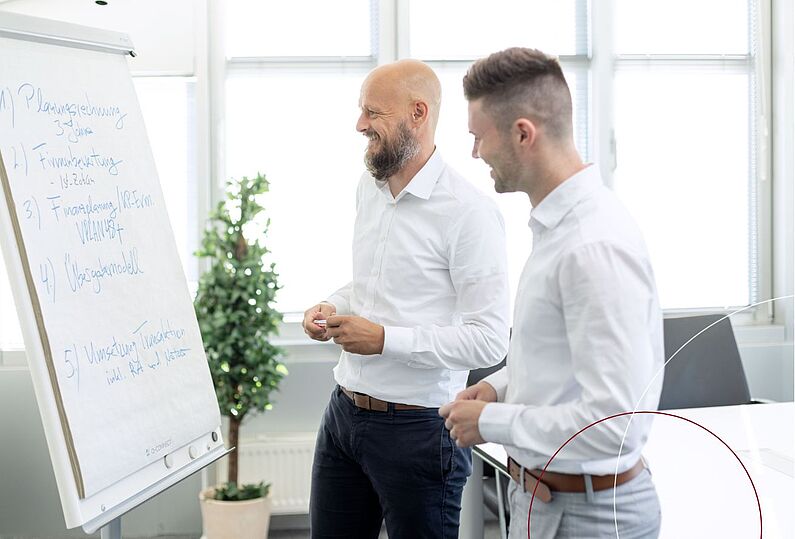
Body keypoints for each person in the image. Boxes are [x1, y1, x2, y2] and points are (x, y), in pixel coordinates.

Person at [440, 47, 664, 539]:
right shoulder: (558, 230)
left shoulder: (592, 246)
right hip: (546, 502)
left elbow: (614, 424)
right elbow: (558, 360)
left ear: (523, 134)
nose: (475, 153)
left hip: (589, 517)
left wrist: (492, 420)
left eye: (479, 137)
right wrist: (499, 387)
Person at [303, 59, 511, 539]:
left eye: (373, 112)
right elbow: (373, 286)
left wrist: (384, 340)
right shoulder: (369, 189)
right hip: (343, 417)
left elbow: (488, 340)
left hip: (420, 433)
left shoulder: (470, 214)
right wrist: (333, 305)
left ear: (418, 113)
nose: (360, 125)